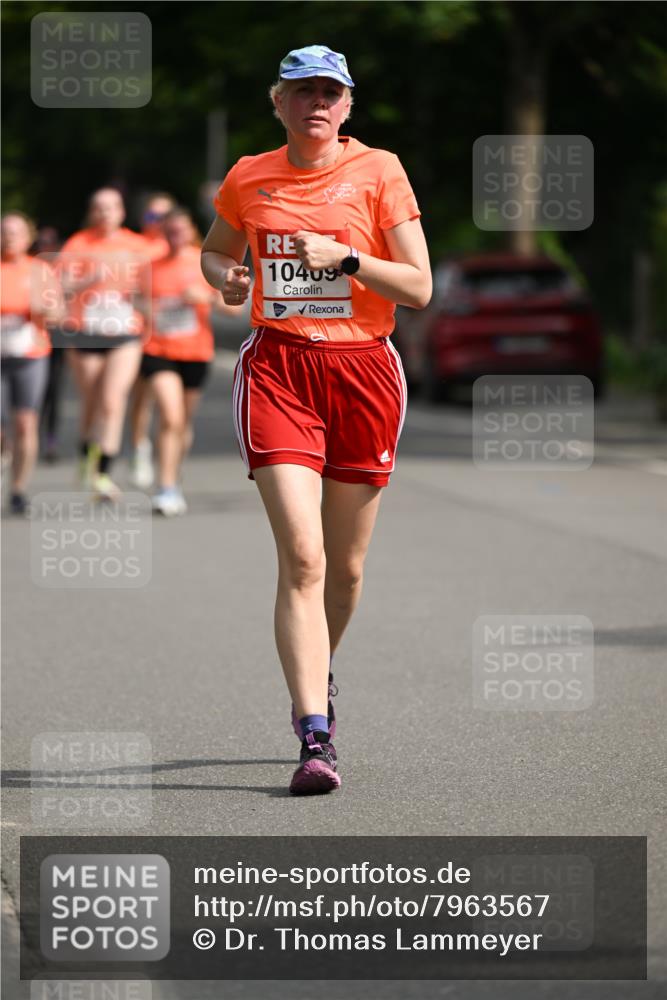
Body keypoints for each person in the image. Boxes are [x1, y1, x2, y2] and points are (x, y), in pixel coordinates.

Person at [201, 45, 431, 794]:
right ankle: (314, 733)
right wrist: (228, 278)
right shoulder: (247, 175)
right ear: (279, 104)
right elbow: (214, 254)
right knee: (302, 556)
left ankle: (317, 670)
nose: (316, 104)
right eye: (302, 92)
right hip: (278, 368)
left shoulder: (379, 171)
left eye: (330, 92)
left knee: (345, 566)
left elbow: (420, 288)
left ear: (348, 105)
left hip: (364, 370)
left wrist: (345, 259)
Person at [59, 188, 148, 500]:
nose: (104, 213)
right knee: (93, 401)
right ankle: (86, 453)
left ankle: (103, 474)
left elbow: (152, 284)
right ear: (91, 212)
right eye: (98, 208)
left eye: (111, 208)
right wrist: (88, 279)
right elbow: (61, 287)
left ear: (121, 212)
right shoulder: (78, 244)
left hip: (124, 332)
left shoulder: (137, 246)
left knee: (112, 400)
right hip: (86, 331)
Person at [139, 208, 218, 515]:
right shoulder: (150, 266)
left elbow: (232, 306)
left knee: (183, 422)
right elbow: (134, 300)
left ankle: (174, 469)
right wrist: (142, 309)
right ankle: (166, 486)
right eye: (168, 231)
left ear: (190, 232)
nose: (174, 237)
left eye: (179, 231)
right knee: (170, 417)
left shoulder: (204, 261)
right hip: (157, 349)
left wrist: (206, 298)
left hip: (196, 352)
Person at [1, 213, 57, 513]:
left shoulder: (40, 270)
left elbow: (59, 313)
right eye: (4, 232)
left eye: (16, 232)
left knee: (25, 423)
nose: (10, 237)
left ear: (27, 237)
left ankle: (18, 489)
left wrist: (44, 310)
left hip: (29, 356)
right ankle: (3, 454)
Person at [129, 192, 177, 489]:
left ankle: (168, 461)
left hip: (174, 339)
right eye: (151, 216)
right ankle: (140, 448)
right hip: (139, 334)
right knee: (141, 399)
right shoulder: (136, 248)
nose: (156, 222)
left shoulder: (179, 245)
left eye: (162, 217)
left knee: (170, 407)